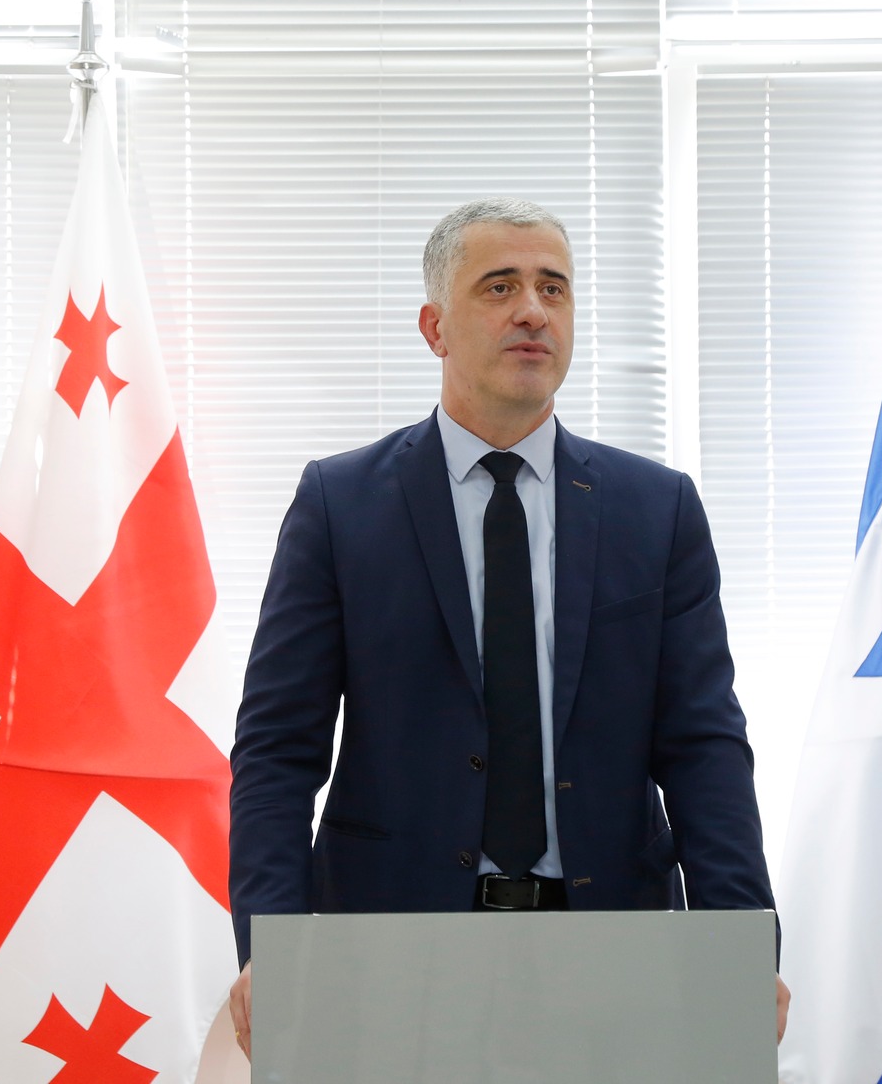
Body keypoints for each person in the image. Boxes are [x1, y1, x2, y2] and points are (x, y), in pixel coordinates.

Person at [226, 197, 787, 1055]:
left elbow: (704, 746)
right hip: (388, 955)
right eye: (500, 286)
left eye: (553, 288)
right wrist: (274, 943)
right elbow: (277, 748)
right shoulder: (340, 505)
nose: (532, 309)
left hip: (614, 953)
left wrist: (740, 938)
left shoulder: (656, 509)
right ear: (435, 328)